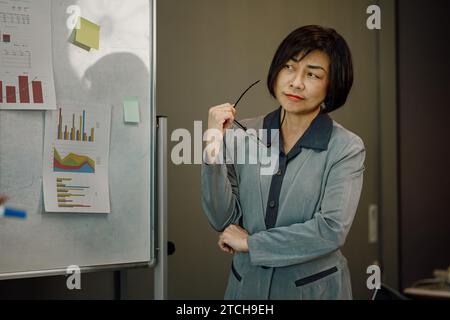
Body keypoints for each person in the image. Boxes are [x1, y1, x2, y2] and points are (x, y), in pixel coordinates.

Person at [201, 25, 365, 300]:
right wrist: (213, 143)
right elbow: (223, 219)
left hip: (313, 291)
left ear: (332, 85)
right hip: (246, 290)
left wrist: (252, 243)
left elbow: (330, 230)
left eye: (312, 74)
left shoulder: (346, 147)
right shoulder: (243, 135)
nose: (296, 82)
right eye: (289, 67)